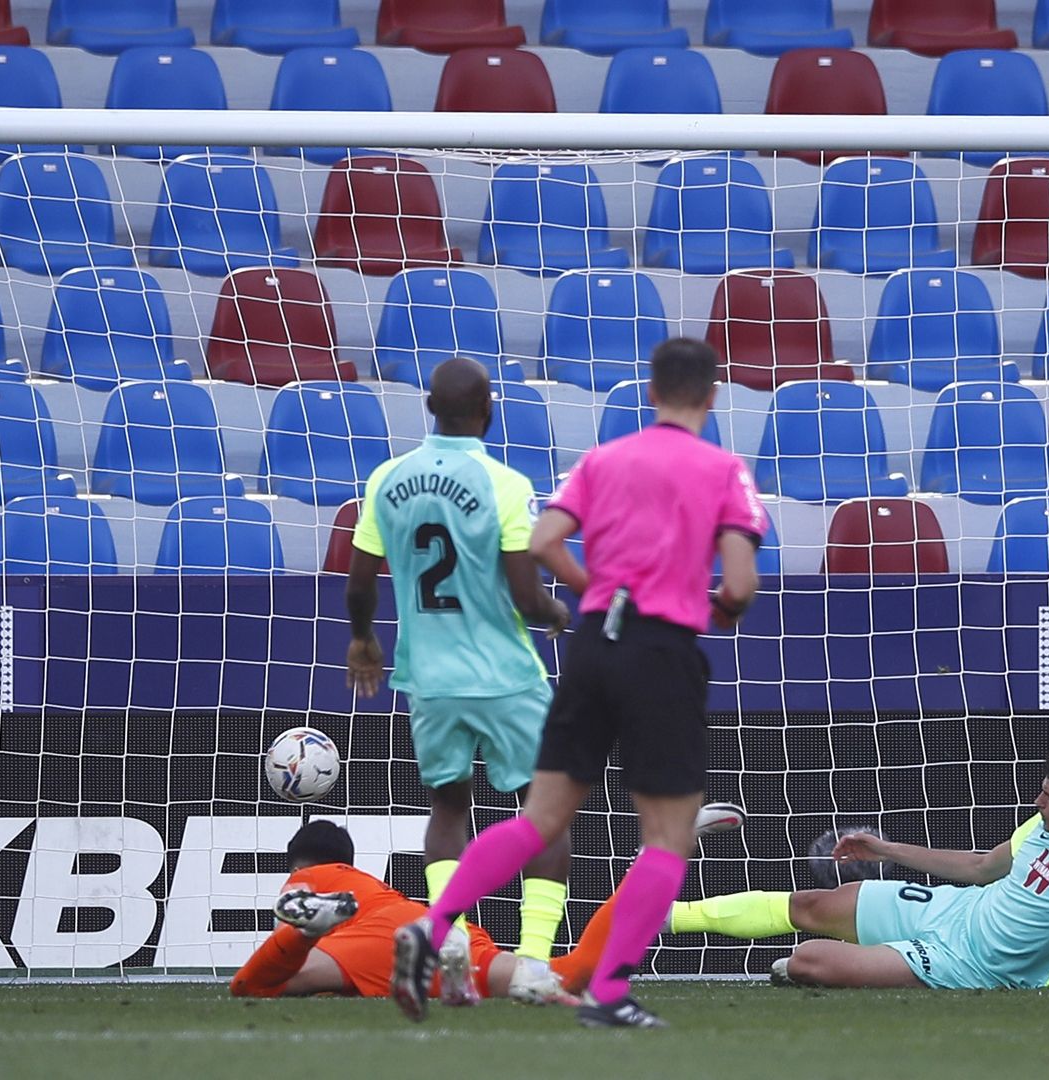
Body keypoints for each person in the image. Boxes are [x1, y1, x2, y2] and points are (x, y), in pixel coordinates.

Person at [392, 337, 765, 1029]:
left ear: (650, 394)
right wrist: (718, 610)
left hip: (594, 645)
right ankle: (610, 992)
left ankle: (433, 924)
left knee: (540, 818)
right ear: (711, 398)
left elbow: (542, 542)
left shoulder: (603, 460)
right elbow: (740, 581)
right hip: (662, 649)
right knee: (666, 835)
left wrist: (596, 591)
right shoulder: (722, 470)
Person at [343, 355, 574, 1006]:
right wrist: (556, 612)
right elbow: (529, 599)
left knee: (449, 807)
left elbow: (360, 582)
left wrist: (363, 641)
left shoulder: (387, 479)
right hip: (504, 676)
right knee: (547, 813)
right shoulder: (503, 483)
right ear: (488, 412)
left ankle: (454, 941)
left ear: (428, 409)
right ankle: (530, 960)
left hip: (430, 678)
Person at [667, 747, 1049, 990]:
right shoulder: (1043, 826)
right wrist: (888, 850)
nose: (1039, 801)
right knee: (815, 904)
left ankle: (818, 968)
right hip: (955, 910)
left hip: (972, 967)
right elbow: (982, 867)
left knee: (807, 960)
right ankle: (665, 916)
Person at [230, 821, 534, 1000]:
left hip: (377, 938)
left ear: (296, 865)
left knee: (256, 983)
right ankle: (578, 969)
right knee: (530, 979)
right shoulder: (368, 884)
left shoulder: (306, 876)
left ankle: (308, 933)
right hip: (433, 925)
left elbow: (280, 947)